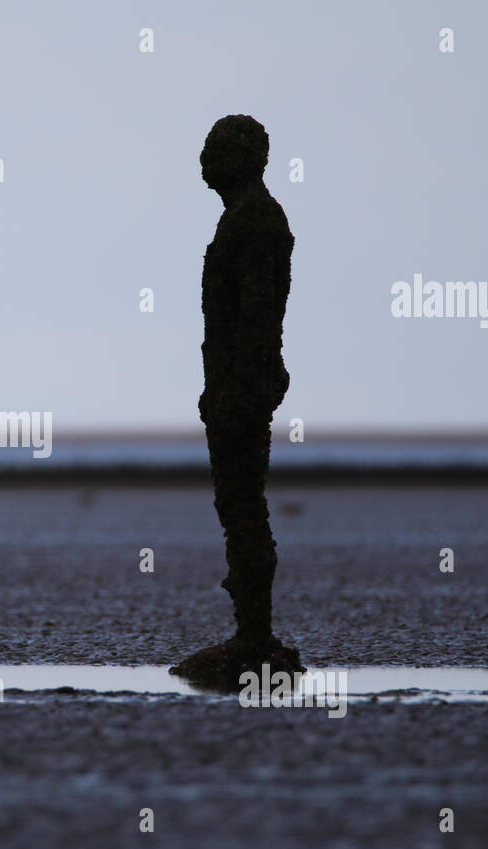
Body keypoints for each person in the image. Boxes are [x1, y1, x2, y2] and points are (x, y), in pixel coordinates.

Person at [172, 114, 302, 688]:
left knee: (244, 508)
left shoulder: (254, 221)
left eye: (214, 150)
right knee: (239, 507)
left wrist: (237, 391)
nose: (204, 161)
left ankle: (255, 636)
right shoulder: (243, 219)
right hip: (232, 385)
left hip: (242, 388)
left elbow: (255, 319)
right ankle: (251, 631)